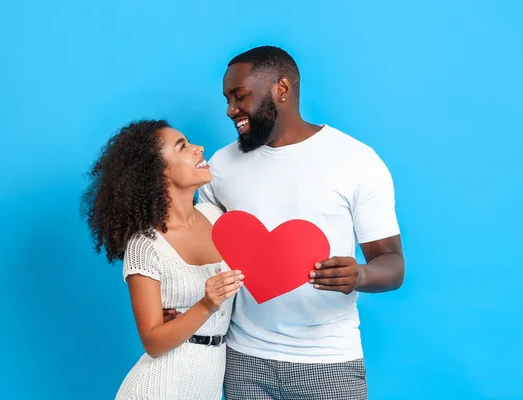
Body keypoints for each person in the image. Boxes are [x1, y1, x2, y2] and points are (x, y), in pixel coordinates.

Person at [167, 45, 405, 399]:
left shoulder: (357, 162)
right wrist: (183, 305)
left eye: (239, 96)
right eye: (227, 99)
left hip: (328, 364)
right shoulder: (220, 166)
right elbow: (203, 250)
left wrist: (360, 275)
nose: (230, 110)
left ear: (282, 89)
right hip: (242, 360)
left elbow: (393, 265)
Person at [81, 119, 244, 399]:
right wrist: (205, 304)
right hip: (159, 388)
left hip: (207, 386)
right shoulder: (145, 246)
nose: (199, 148)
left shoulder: (216, 217)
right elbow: (153, 343)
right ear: (159, 173)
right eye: (182, 147)